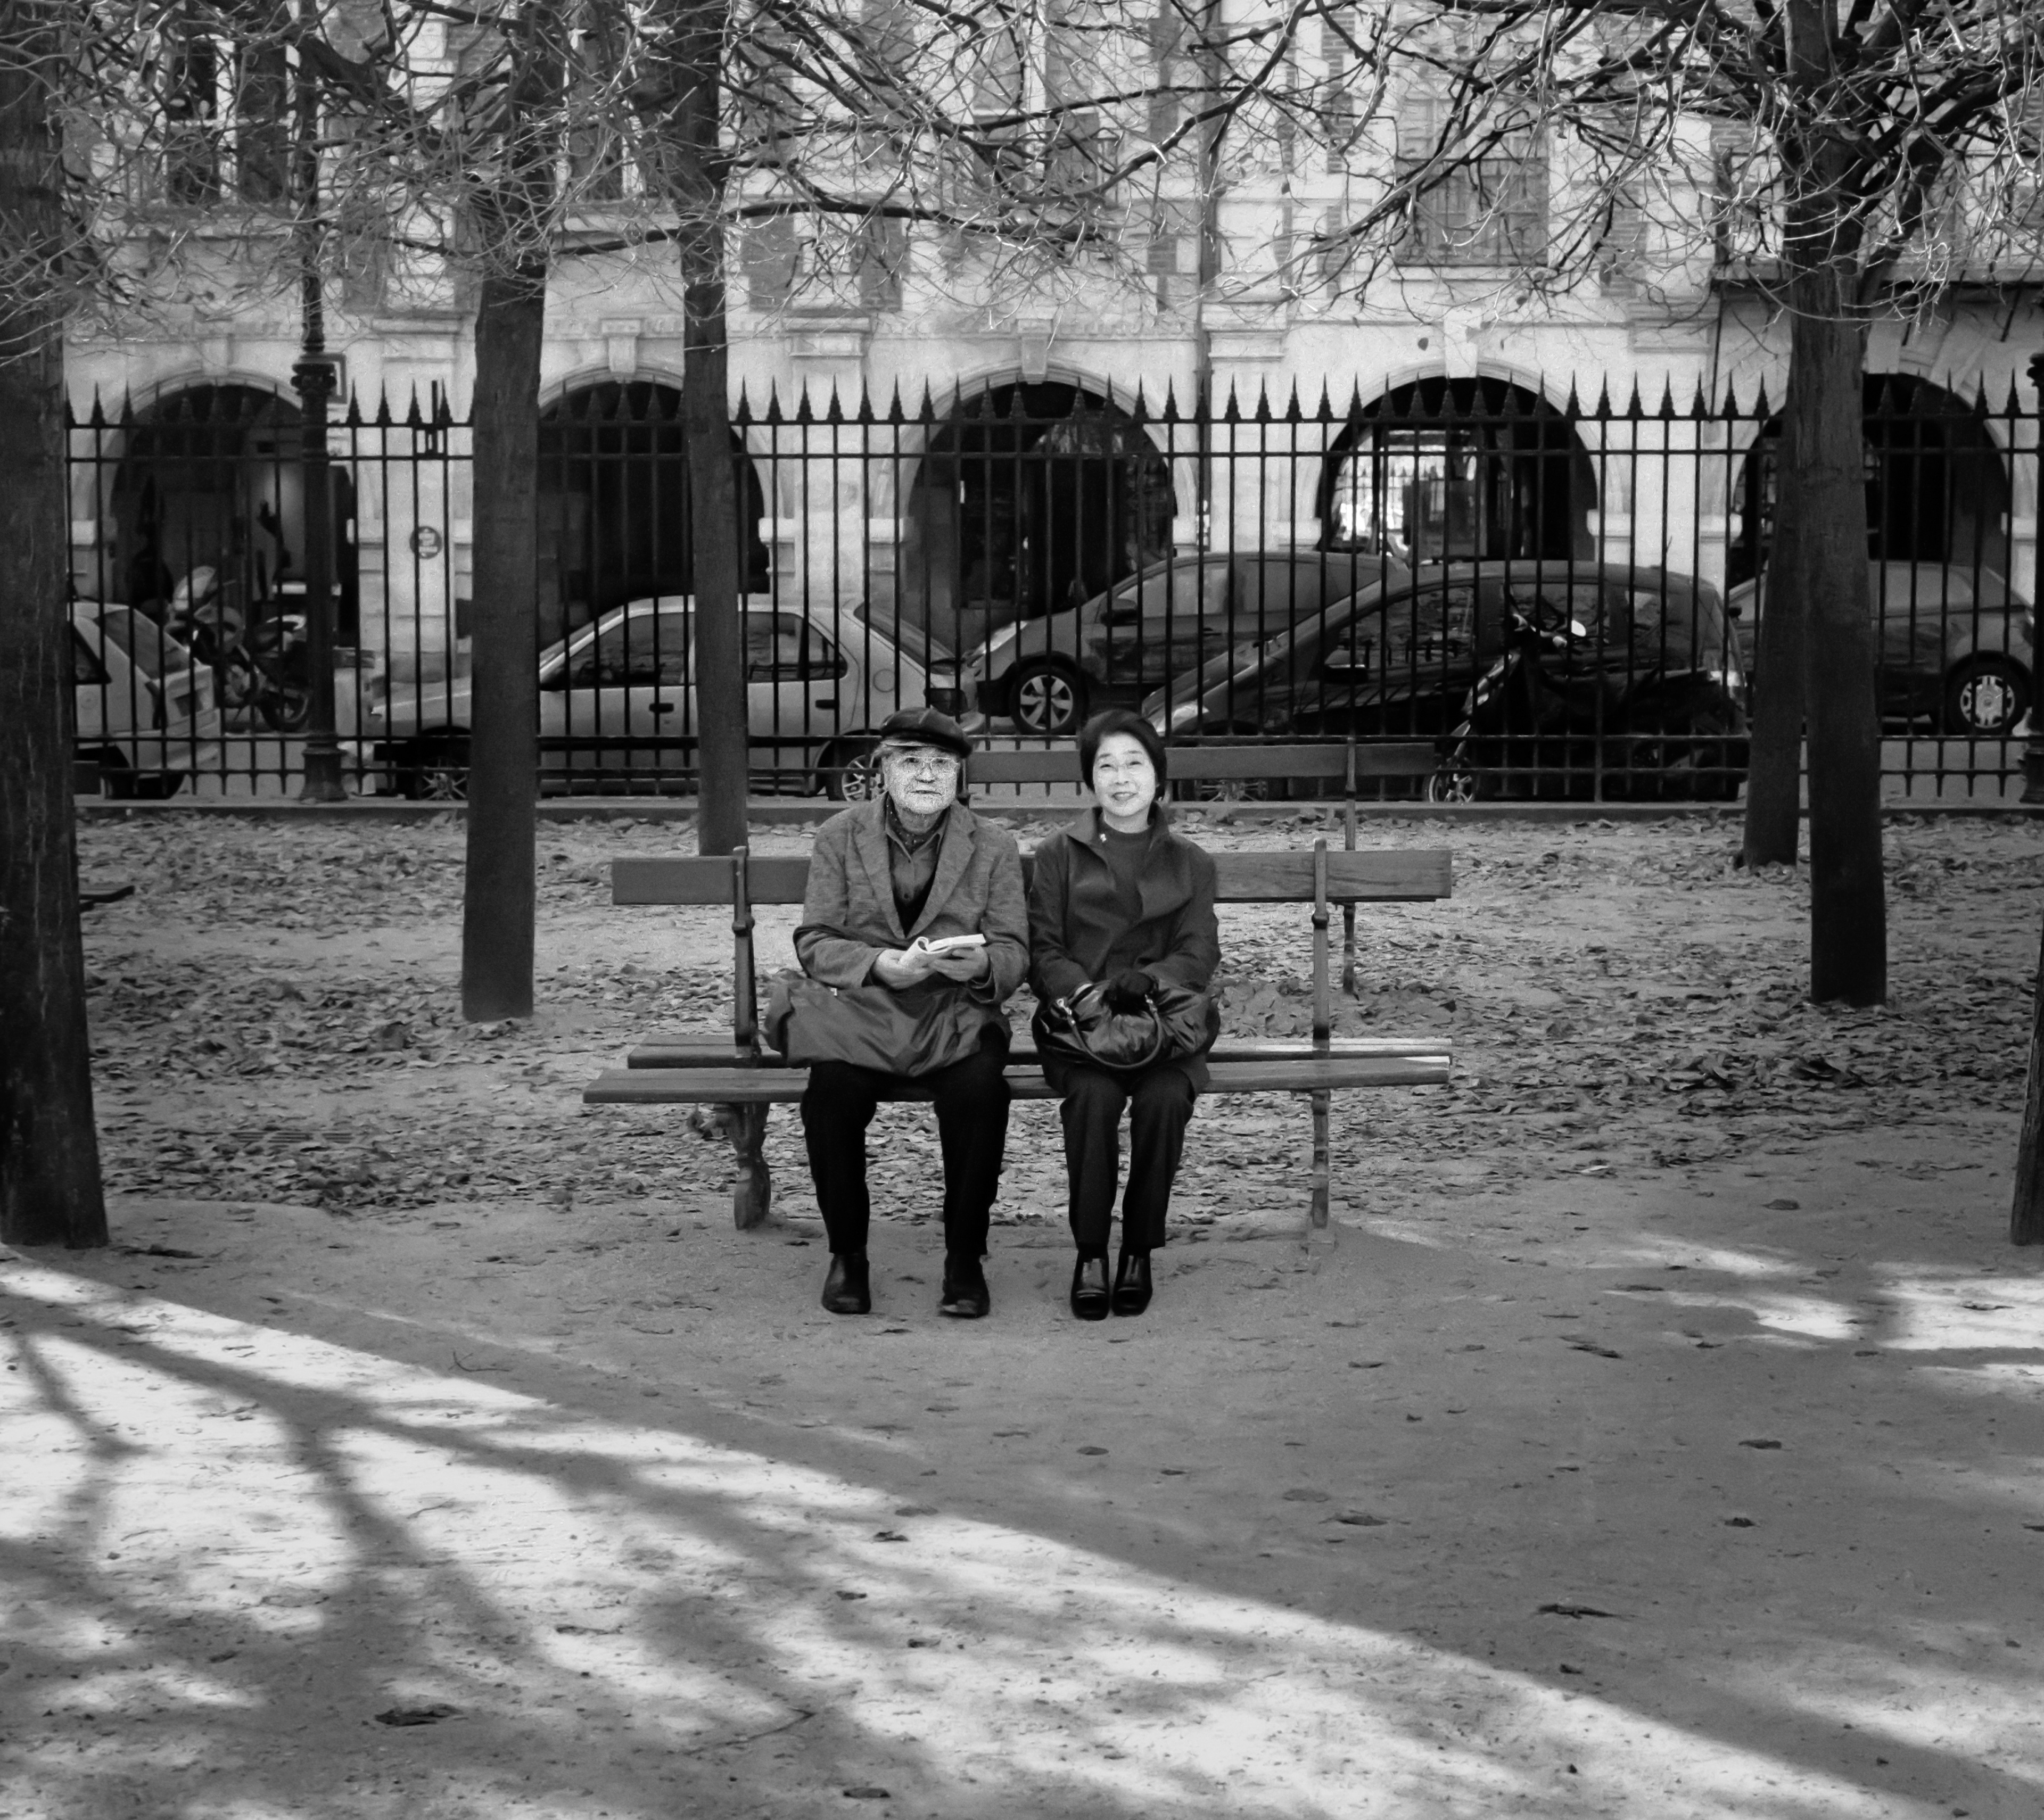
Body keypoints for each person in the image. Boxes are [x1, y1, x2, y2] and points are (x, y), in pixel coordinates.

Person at [795, 707, 1029, 1319]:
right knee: (829, 1094)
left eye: (941, 764)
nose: (926, 775)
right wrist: (878, 964)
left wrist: (979, 968)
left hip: (956, 1014)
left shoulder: (995, 844)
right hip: (866, 1012)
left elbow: (1013, 947)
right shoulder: (839, 836)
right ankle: (848, 1256)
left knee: (982, 1092)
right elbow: (815, 939)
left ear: (960, 775)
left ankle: (963, 1261)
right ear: (881, 769)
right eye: (910, 761)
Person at [1028, 709, 1219, 1320]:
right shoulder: (1059, 853)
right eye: (1106, 764)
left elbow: (1199, 951)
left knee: (1165, 1100)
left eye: (1135, 763)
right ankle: (1091, 1252)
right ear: (1090, 779)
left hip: (1164, 1027)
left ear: (1158, 777)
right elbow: (1043, 948)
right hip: (1083, 1029)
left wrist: (1153, 982)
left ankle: (1138, 1246)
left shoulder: (1191, 860)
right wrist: (1086, 993)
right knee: (1094, 1100)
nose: (1121, 777)